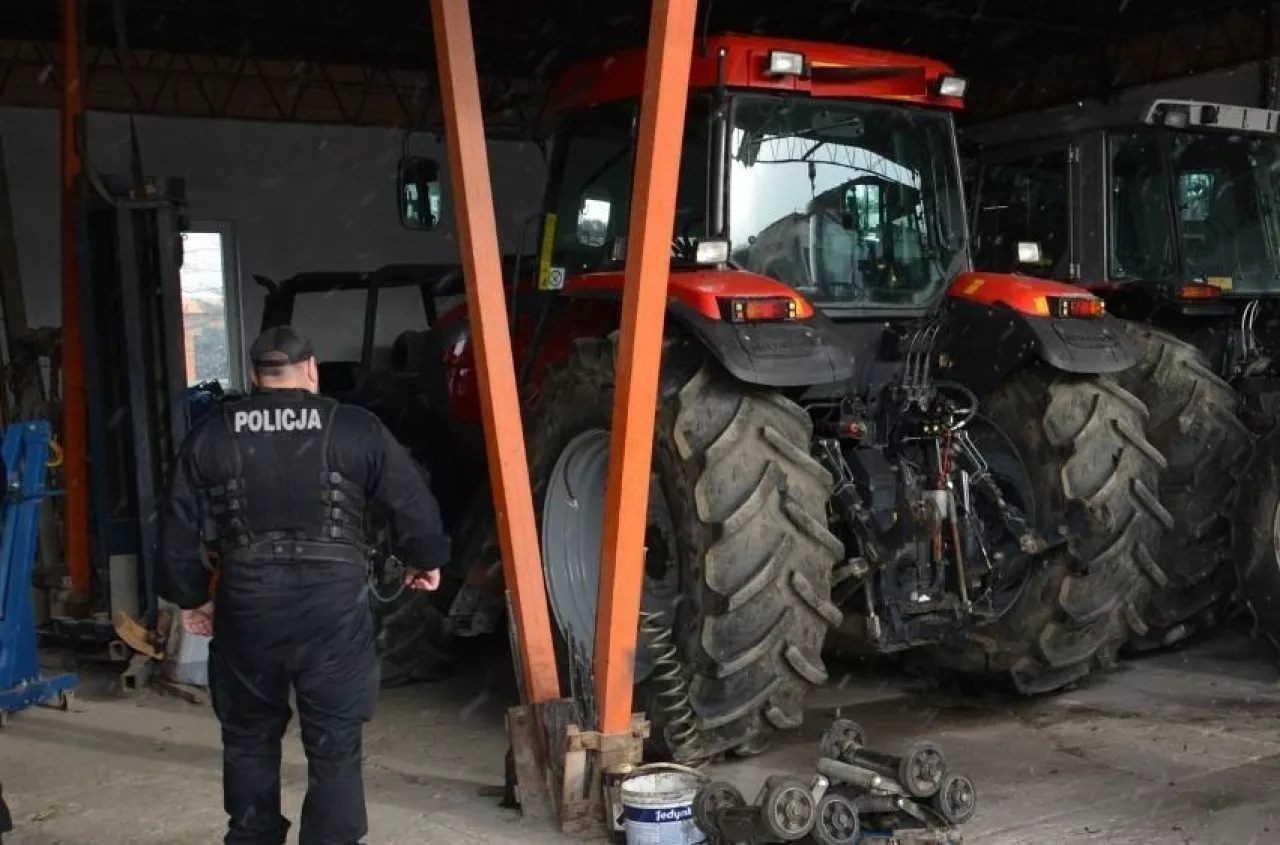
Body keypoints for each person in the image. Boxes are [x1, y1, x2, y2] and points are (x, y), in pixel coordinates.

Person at [156, 326, 451, 845]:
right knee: (335, 742)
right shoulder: (355, 427)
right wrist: (424, 559)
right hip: (332, 607)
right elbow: (411, 499)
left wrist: (192, 596)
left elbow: (176, 527)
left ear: (254, 375)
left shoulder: (213, 434)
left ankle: (252, 836)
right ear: (311, 368)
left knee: (249, 737)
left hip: (249, 604)